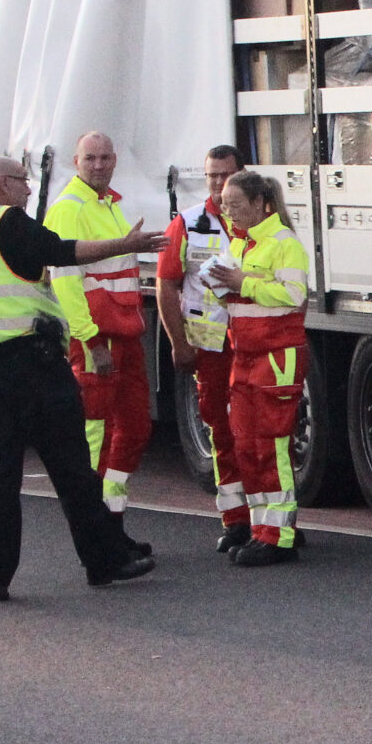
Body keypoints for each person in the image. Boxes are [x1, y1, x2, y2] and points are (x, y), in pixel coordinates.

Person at [0, 156, 162, 600]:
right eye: (23, 181)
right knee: (72, 469)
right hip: (31, 365)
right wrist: (124, 245)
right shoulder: (7, 223)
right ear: (0, 183)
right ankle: (104, 562)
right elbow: (63, 251)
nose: (30, 190)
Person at [45, 132, 152, 520]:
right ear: (75, 161)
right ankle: (95, 521)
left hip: (123, 334)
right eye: (90, 158)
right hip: (97, 338)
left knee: (135, 426)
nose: (98, 165)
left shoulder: (108, 204)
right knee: (96, 433)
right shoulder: (70, 207)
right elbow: (64, 282)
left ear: (115, 160)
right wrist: (91, 341)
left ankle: (112, 511)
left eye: (106, 157)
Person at [211, 170, 310, 567]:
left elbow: (292, 297)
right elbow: (238, 297)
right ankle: (260, 529)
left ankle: (278, 535)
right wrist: (221, 286)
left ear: (259, 204)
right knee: (247, 446)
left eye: (235, 204)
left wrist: (241, 282)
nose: (228, 211)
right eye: (224, 204)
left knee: (271, 447)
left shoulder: (284, 244)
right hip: (246, 355)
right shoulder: (241, 242)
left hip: (275, 357)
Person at [158, 146, 246, 554]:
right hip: (210, 349)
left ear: (241, 174)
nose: (217, 183)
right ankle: (235, 521)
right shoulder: (188, 223)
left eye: (225, 175)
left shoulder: (259, 222)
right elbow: (167, 285)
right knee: (222, 431)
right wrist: (178, 343)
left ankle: (271, 524)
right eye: (211, 175)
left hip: (254, 346)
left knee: (262, 433)